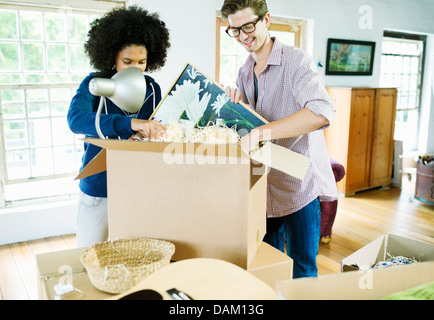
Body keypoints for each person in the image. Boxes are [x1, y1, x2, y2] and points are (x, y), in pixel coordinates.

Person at [220, 0, 338, 278]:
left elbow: (321, 113)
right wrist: (236, 107)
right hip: (263, 187)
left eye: (248, 26)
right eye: (234, 30)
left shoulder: (296, 61)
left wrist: (262, 132)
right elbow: (250, 125)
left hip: (299, 188)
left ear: (266, 20)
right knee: (268, 268)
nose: (243, 36)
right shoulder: (244, 72)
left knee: (303, 269)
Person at [67, 6, 170, 248]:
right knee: (90, 253)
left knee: (132, 256)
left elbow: (154, 129)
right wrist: (129, 124)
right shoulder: (95, 84)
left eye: (142, 62)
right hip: (98, 186)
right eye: (127, 61)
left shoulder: (152, 89)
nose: (136, 68)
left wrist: (146, 137)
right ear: (111, 56)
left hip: (136, 186)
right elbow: (76, 120)